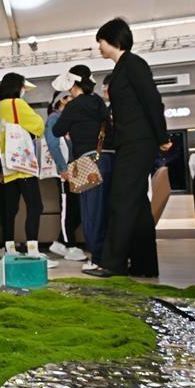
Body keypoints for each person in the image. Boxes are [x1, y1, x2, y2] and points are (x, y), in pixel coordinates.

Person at [95, 19, 170, 278]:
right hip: (131, 142)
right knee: (136, 203)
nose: (99, 47)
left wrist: (162, 135)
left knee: (121, 199)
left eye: (101, 41)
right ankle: (144, 265)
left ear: (114, 40)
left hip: (138, 142)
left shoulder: (133, 64)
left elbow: (152, 100)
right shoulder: (121, 67)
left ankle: (112, 264)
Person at [52, 65, 114, 274]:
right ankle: (110, 256)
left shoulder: (74, 106)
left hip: (86, 161)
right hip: (109, 157)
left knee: (91, 212)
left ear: (73, 85)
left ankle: (97, 259)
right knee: (107, 210)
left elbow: (57, 130)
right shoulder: (98, 101)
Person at [0, 72, 57, 267]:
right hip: (22, 165)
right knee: (35, 206)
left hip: (6, 165)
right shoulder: (17, 104)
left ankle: (9, 249)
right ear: (18, 87)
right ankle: (33, 250)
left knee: (10, 209)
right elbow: (38, 126)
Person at [45, 91, 87, 262]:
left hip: (75, 168)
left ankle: (60, 242)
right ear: (61, 100)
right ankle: (70, 246)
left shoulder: (67, 119)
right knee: (69, 208)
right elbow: (53, 144)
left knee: (77, 208)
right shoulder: (54, 118)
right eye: (70, 97)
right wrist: (62, 168)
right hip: (66, 170)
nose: (74, 99)